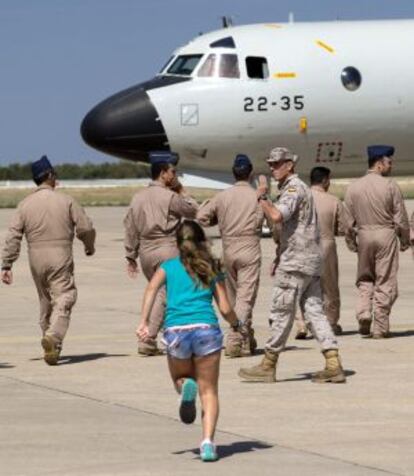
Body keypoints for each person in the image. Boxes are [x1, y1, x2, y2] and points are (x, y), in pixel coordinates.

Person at [136, 220, 242, 462]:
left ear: (177, 243)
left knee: (179, 378)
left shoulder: (168, 267)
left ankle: (185, 388)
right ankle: (207, 444)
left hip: (177, 331)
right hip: (206, 330)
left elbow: (151, 289)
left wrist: (144, 322)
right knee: (209, 390)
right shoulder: (212, 267)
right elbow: (225, 307)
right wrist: (237, 325)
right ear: (202, 241)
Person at [239, 147, 346, 384]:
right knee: (314, 311)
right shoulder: (299, 188)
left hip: (296, 262)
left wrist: (262, 196)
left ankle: (268, 364)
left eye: (277, 164)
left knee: (281, 311)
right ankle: (332, 362)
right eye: (271, 164)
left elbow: (278, 216)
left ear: (290, 165)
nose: (273, 168)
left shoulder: (293, 188)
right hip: (309, 260)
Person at [1, 156, 96, 365]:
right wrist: (89, 246)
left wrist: (7, 264)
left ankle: (51, 347)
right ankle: (53, 337)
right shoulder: (67, 200)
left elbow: (13, 235)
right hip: (60, 255)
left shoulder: (24, 205)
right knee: (65, 296)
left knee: (45, 302)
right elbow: (86, 228)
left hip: (35, 258)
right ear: (50, 176)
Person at [124, 151, 198, 356]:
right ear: (163, 173)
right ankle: (148, 338)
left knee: (159, 293)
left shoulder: (137, 198)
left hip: (146, 252)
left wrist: (131, 255)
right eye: (173, 172)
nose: (176, 176)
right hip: (167, 249)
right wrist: (182, 190)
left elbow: (130, 227)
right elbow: (194, 211)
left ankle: (171, 336)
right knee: (164, 294)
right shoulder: (170, 196)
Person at [197, 154, 264, 357]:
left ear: (233, 174)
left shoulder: (222, 196)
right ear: (250, 173)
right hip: (249, 247)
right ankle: (235, 339)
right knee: (245, 298)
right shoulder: (256, 195)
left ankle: (246, 339)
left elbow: (201, 216)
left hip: (228, 249)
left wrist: (217, 221)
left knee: (235, 299)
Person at [343, 145, 410, 338]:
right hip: (385, 235)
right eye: (389, 161)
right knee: (385, 280)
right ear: (379, 163)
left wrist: (351, 242)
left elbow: (348, 221)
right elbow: (400, 218)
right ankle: (380, 326)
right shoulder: (390, 186)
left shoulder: (353, 187)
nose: (391, 165)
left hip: (364, 235)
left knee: (365, 278)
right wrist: (404, 240)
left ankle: (364, 312)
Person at [295, 166, 345, 338]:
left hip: (304, 245)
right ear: (324, 180)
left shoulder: (300, 199)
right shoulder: (333, 200)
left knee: (304, 287)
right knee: (329, 287)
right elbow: (343, 227)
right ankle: (331, 322)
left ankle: (306, 323)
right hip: (326, 244)